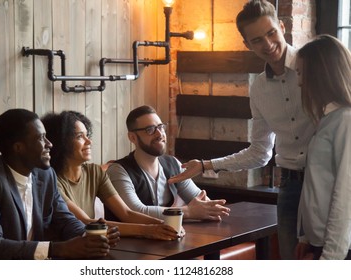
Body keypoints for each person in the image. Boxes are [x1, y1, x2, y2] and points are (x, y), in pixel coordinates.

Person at [168, 0, 316, 259]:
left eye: (271, 33)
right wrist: (205, 165)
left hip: (328, 179)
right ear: (247, 45)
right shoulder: (258, 88)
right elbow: (260, 152)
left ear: (282, 27)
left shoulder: (316, 68)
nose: (268, 44)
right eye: (257, 40)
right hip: (290, 186)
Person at [0, 109, 120, 259]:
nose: (49, 144)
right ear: (19, 147)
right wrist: (57, 249)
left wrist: (90, 235)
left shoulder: (45, 175)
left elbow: (64, 219)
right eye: (41, 138)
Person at [41, 110, 180, 240]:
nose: (89, 142)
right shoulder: (52, 180)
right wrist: (148, 230)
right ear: (61, 143)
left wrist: (165, 225)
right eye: (79, 137)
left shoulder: (94, 172)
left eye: (87, 135)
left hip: (93, 245)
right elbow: (86, 222)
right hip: (65, 250)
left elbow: (126, 213)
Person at [106, 105, 231, 221]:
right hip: (126, 242)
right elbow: (135, 211)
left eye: (160, 127)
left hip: (164, 238)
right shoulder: (118, 170)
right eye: (150, 130)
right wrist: (187, 212)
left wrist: (211, 209)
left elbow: (199, 201)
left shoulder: (172, 164)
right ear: (132, 137)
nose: (160, 134)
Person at [294, 35, 351, 260]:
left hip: (338, 251)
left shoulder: (345, 120)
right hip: (319, 243)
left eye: (300, 73)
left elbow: (346, 194)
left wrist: (330, 260)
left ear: (319, 74)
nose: (298, 82)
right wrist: (305, 237)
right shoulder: (329, 119)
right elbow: (316, 183)